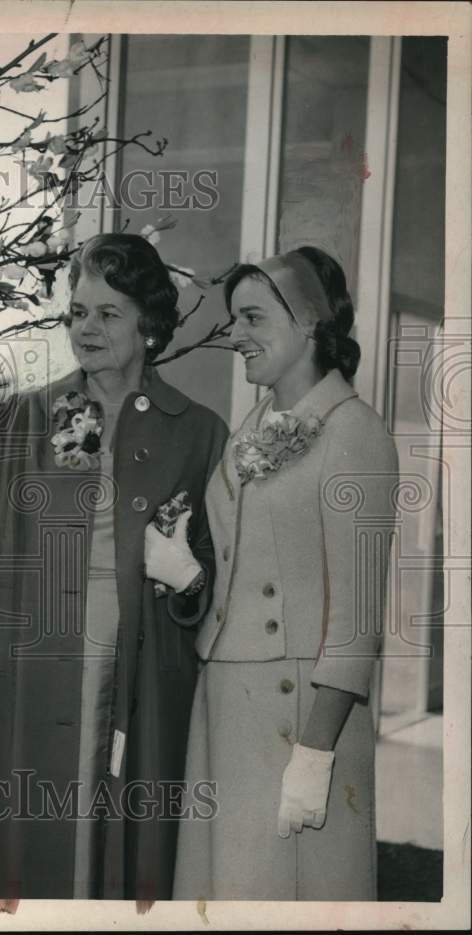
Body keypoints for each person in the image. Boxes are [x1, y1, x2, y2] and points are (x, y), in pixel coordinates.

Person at [0, 233, 229, 900]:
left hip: (141, 685)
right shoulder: (35, 415)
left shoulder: (199, 432)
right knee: (34, 857)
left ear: (150, 324)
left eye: (108, 313)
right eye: (77, 311)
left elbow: (216, 579)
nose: (86, 328)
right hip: (35, 679)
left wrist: (187, 576)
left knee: (121, 861)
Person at [171, 246, 399, 900]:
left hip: (298, 717)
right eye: (232, 319)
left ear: (307, 323)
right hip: (225, 707)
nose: (234, 335)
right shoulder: (256, 425)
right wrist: (187, 572)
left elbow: (356, 622)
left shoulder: (354, 433)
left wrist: (315, 753)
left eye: (251, 317)